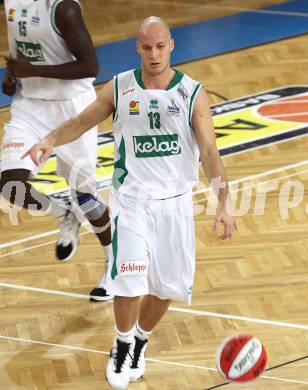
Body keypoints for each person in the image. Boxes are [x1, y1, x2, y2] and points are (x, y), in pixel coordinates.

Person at [24, 16, 237, 389]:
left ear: (171, 45)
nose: (153, 54)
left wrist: (224, 201)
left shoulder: (191, 92)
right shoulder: (120, 88)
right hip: (132, 202)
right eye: (146, 47)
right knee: (129, 283)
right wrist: (50, 140)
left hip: (175, 204)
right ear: (136, 48)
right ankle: (122, 346)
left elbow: (209, 152)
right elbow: (80, 121)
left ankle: (139, 339)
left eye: (160, 46)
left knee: (167, 288)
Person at [0, 0, 113, 301]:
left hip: (73, 108)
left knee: (86, 196)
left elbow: (90, 66)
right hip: (30, 107)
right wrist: (14, 76)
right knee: (10, 184)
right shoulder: (13, 2)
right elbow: (23, 50)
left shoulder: (63, 8)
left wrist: (32, 69)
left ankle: (113, 263)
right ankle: (64, 214)